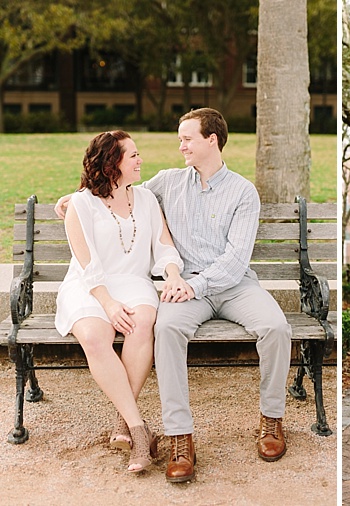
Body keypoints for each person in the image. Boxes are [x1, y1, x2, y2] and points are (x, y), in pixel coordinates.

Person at [56, 108, 292, 483]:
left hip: (231, 286)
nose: (179, 145)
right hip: (182, 290)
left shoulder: (244, 192)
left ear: (211, 141)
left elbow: (235, 261)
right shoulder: (167, 182)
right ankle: (180, 437)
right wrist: (76, 198)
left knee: (277, 327)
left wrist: (189, 283)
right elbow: (118, 190)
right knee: (165, 330)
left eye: (186, 138)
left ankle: (272, 421)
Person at [55, 130, 184, 473]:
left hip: (134, 282)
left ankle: (123, 422)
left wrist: (171, 273)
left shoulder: (146, 200)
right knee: (96, 336)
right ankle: (140, 430)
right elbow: (88, 265)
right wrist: (109, 304)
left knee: (142, 323)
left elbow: (164, 246)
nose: (141, 160)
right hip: (89, 285)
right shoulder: (80, 204)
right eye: (133, 156)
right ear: (112, 163)